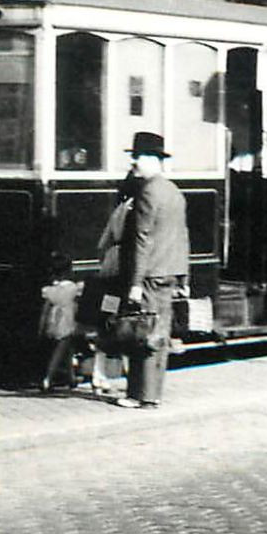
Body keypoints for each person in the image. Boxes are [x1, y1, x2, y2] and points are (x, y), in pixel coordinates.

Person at [114, 132, 191, 410]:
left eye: (137, 158)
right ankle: (153, 393)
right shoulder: (173, 191)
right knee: (159, 333)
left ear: (150, 160)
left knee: (142, 332)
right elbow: (183, 235)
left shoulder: (147, 192)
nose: (134, 163)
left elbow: (141, 239)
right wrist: (184, 276)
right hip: (169, 271)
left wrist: (135, 282)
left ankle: (139, 395)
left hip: (149, 273)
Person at [82, 170, 139, 395]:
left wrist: (107, 262)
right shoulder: (138, 209)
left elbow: (101, 244)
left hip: (111, 268)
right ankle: (130, 374)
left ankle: (99, 373)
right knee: (131, 320)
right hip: (129, 269)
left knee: (107, 319)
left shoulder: (118, 210)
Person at [38, 252, 83, 391]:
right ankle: (48, 378)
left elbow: (45, 311)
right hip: (68, 321)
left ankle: (71, 377)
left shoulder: (50, 291)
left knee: (67, 349)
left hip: (54, 321)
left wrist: (41, 328)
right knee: (60, 350)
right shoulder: (74, 288)